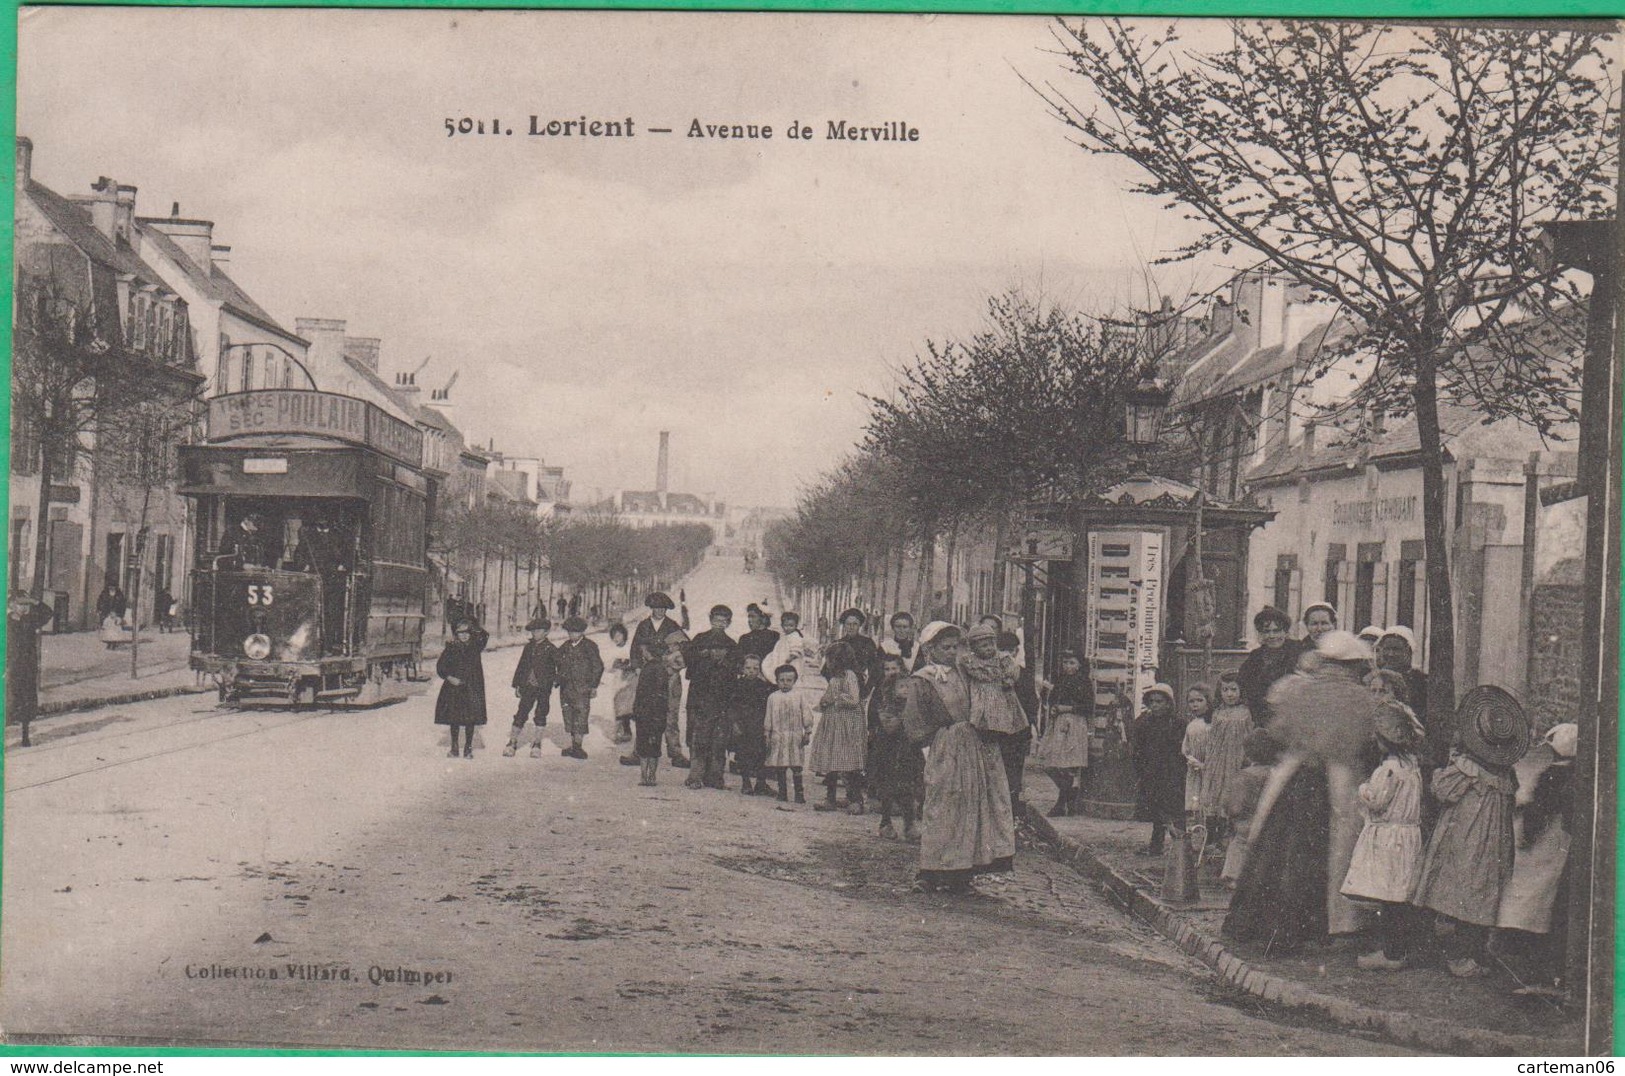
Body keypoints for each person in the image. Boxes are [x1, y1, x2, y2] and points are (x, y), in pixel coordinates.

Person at [1224, 630, 1379, 948]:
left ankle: (1269, 923)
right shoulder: (1359, 699)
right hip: (1337, 777)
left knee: (1281, 847)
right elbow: (1361, 742)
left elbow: (1279, 731)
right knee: (1334, 848)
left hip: (1296, 774)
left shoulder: (1297, 690)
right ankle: (1330, 925)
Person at [1413, 688, 1529, 978]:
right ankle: (1473, 950)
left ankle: (1458, 953)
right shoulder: (1505, 773)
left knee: (1460, 886)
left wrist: (1440, 772)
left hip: (1466, 835)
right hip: (1495, 841)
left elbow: (1442, 791)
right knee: (1482, 888)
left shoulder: (1467, 767)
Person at [900, 622, 1016, 894]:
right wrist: (933, 746)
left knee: (970, 808)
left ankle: (962, 873)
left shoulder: (966, 672)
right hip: (944, 746)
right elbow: (914, 721)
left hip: (973, 745)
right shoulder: (923, 679)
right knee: (942, 807)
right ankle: (931, 870)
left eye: (955, 646)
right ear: (930, 649)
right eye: (945, 647)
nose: (952, 652)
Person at [1341, 676, 1427, 971]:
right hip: (1407, 835)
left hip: (1389, 838)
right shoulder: (1410, 766)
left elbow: (1377, 800)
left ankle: (1391, 953)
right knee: (1399, 895)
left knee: (1389, 896)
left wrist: (1362, 789)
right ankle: (1396, 949)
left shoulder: (1388, 769)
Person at [959, 622, 1033, 806]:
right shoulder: (971, 662)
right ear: (974, 648)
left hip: (1002, 699)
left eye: (991, 644)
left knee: (1005, 724)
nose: (989, 648)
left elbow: (1013, 672)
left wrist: (1009, 679)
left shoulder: (1003, 659)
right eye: (983, 645)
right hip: (983, 700)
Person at [684, 605, 740, 790]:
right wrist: (703, 657)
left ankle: (715, 776)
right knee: (698, 737)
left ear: (729, 623)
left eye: (723, 621)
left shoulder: (732, 644)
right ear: (710, 620)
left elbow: (735, 670)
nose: (719, 624)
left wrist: (724, 664)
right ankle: (695, 776)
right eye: (716, 620)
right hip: (700, 697)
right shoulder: (700, 640)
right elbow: (689, 664)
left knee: (719, 739)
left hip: (721, 699)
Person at [631, 592, 689, 767]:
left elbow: (686, 650)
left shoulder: (673, 626)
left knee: (670, 714)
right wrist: (638, 667)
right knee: (644, 714)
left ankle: (675, 752)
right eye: (656, 608)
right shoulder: (643, 626)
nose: (659, 611)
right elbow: (635, 650)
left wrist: (673, 667)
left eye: (662, 608)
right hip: (648, 677)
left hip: (669, 676)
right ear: (651, 608)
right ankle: (639, 752)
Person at [1032, 651, 1092, 818]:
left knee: (1068, 764)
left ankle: (1061, 804)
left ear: (1079, 664)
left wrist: (1067, 708)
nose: (1068, 666)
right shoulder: (1060, 680)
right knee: (1049, 762)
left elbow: (1088, 707)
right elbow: (1052, 699)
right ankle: (1071, 794)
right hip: (1058, 723)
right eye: (1065, 663)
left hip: (1074, 723)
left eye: (1072, 663)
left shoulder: (1084, 682)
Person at [867, 663, 923, 841]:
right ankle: (886, 823)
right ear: (892, 689)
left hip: (908, 754)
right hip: (889, 753)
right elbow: (889, 727)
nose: (906, 690)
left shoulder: (914, 705)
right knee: (888, 789)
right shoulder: (887, 706)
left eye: (909, 687)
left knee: (908, 789)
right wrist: (905, 716)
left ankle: (909, 825)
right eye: (902, 687)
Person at [811, 641, 867, 813]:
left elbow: (853, 699)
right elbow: (829, 696)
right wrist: (824, 702)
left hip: (846, 725)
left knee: (848, 761)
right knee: (831, 760)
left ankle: (855, 799)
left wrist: (835, 699)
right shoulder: (835, 678)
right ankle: (831, 797)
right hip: (834, 723)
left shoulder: (849, 675)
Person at [1131, 684, 1186, 856]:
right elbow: (1137, 747)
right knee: (1156, 810)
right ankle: (1156, 845)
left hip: (1172, 772)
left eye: (1160, 701)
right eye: (1152, 702)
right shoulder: (1144, 723)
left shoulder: (1178, 723)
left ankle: (1181, 846)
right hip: (1151, 771)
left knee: (1173, 809)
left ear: (1169, 703)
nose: (1155, 705)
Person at [1221, 729, 1279, 886]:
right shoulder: (1277, 773)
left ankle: (1234, 877)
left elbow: (1235, 804)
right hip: (1270, 818)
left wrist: (1230, 813)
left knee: (1239, 844)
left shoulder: (1245, 775)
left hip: (1247, 820)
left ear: (1248, 753)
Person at [632, 634, 687, 787]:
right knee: (654, 747)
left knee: (644, 748)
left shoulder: (649, 668)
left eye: (643, 651)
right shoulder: (660, 668)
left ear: (648, 652)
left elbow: (643, 693)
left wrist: (637, 710)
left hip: (646, 713)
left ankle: (645, 777)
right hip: (657, 713)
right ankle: (651, 777)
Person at [1375, 626, 1435, 764]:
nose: (1390, 654)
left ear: (1408, 651)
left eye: (1396, 649)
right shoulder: (1376, 679)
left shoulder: (1421, 681)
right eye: (1386, 649)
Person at [503, 617, 558, 758]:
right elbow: (521, 666)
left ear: (546, 633)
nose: (535, 633)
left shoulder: (551, 649)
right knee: (522, 712)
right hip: (528, 686)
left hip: (543, 688)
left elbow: (560, 667)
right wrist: (517, 684)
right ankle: (512, 742)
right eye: (533, 631)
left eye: (538, 631)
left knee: (541, 713)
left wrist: (555, 680)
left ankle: (537, 743)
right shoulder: (528, 647)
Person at [435, 619, 490, 759]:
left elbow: (484, 635)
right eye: (461, 633)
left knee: (470, 719)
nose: (464, 636)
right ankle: (454, 748)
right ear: (456, 634)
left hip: (472, 687)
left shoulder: (475, 647)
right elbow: (441, 667)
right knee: (454, 718)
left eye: (467, 633)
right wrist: (449, 677)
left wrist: (473, 623)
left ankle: (468, 748)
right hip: (454, 688)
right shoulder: (451, 648)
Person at [1237, 606, 1302, 723]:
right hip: (1263, 717)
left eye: (1277, 631)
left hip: (1293, 716)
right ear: (1260, 634)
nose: (1272, 636)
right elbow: (1243, 684)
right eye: (1266, 631)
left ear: (1286, 632)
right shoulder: (1255, 657)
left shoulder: (1297, 651)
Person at [728, 653, 777, 796]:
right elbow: (732, 705)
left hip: (759, 723)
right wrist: (735, 723)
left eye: (755, 668)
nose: (751, 671)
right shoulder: (737, 685)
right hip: (743, 724)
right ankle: (746, 782)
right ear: (742, 669)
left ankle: (761, 783)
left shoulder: (763, 686)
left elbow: (768, 704)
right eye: (748, 668)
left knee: (761, 754)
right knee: (743, 753)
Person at [764, 663, 814, 803]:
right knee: (780, 766)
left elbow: (806, 715)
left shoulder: (798, 696)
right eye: (782, 680)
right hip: (778, 737)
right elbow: (768, 717)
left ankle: (799, 794)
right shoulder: (773, 697)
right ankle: (782, 792)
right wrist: (767, 733)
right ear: (777, 680)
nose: (785, 683)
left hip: (794, 737)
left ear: (794, 681)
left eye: (789, 680)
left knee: (796, 765)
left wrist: (807, 732)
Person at [556, 616, 604, 760]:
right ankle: (573, 744)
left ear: (582, 632)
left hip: (583, 688)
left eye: (575, 632)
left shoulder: (590, 646)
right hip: (566, 688)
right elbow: (558, 661)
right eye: (570, 632)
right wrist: (558, 678)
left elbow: (598, 666)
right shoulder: (565, 646)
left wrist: (594, 685)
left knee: (581, 715)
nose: (572, 635)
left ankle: (578, 745)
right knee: (569, 715)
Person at [1181, 685, 1215, 819]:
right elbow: (1186, 748)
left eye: (1199, 701)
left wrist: (1205, 764)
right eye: (1191, 701)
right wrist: (1191, 759)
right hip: (1195, 768)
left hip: (1208, 768)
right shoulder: (1191, 725)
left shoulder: (1212, 724)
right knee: (1195, 802)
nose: (1195, 705)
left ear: (1208, 701)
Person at [830, 608, 881, 696]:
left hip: (860, 687)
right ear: (844, 625)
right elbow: (826, 670)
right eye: (848, 624)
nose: (851, 627)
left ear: (860, 625)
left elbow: (874, 670)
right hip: (840, 689)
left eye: (855, 624)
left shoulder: (867, 643)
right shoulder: (837, 644)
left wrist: (866, 690)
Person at [765, 611, 818, 686]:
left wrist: (790, 658)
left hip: (791, 661)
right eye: (785, 625)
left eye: (791, 626)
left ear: (796, 626)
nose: (788, 628)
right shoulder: (785, 636)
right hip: (783, 658)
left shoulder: (795, 636)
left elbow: (796, 649)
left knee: (790, 673)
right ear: (782, 625)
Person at [606, 622, 637, 745]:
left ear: (624, 635)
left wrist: (628, 664)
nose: (617, 638)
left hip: (630, 680)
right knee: (619, 706)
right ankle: (621, 733)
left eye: (619, 635)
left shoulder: (630, 647)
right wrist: (616, 663)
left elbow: (635, 661)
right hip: (618, 680)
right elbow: (608, 665)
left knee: (629, 706)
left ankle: (628, 731)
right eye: (614, 636)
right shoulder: (612, 650)